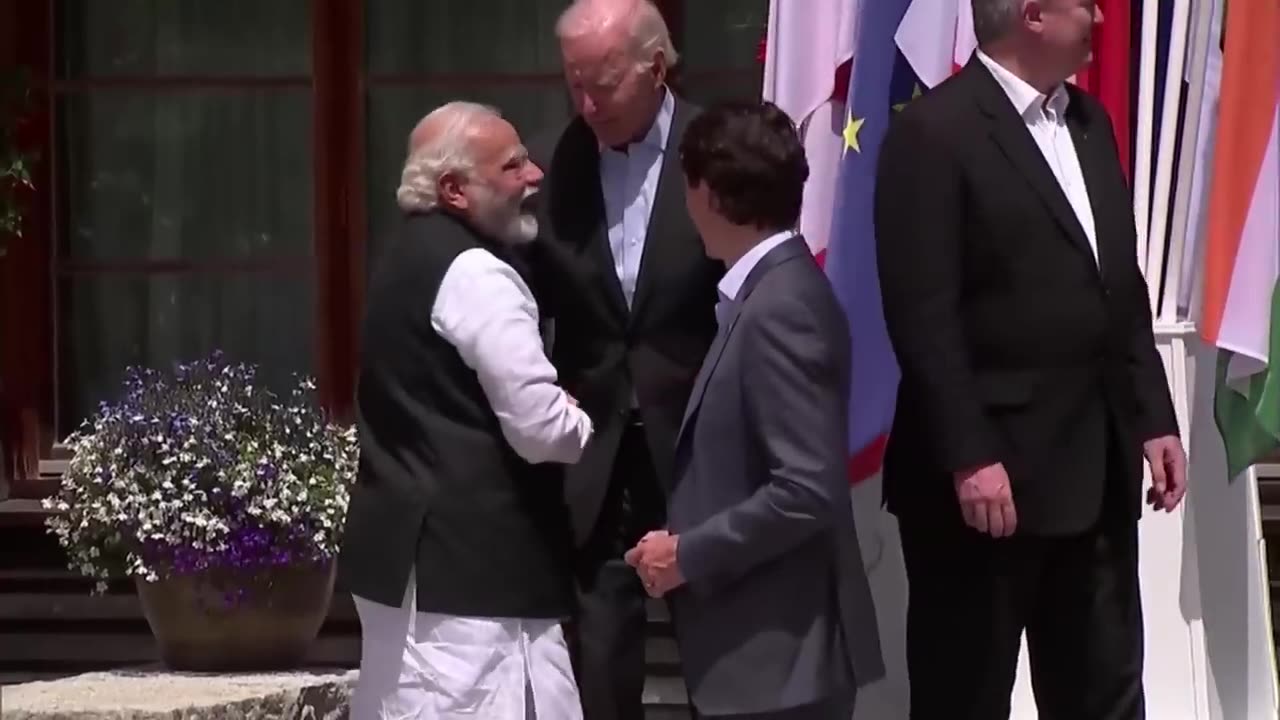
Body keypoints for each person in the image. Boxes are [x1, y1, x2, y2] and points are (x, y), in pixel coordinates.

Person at [873, 1, 1188, 718]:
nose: (1102, 20)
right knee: (967, 694)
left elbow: (1118, 285)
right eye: (1086, 5)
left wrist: (1153, 417)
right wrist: (969, 456)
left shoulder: (1090, 122)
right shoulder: (934, 133)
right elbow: (923, 314)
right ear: (1034, 15)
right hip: (986, 491)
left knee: (1104, 695)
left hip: (1095, 474)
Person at [625, 100, 884, 720]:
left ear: (709, 195)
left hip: (781, 660)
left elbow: (803, 489)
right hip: (765, 657)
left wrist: (685, 553)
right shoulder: (766, 294)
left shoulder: (780, 307)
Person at [337, 101, 594, 720]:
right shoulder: (478, 274)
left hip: (416, 570)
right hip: (475, 590)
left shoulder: (401, 257)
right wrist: (575, 417)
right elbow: (539, 428)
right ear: (453, 190)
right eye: (511, 166)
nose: (534, 176)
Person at [524, 1, 723, 717]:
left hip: (702, 443)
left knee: (721, 659)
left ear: (656, 67)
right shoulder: (549, 164)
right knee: (600, 670)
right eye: (573, 82)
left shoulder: (719, 148)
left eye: (602, 84)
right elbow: (523, 305)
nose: (586, 102)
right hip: (594, 449)